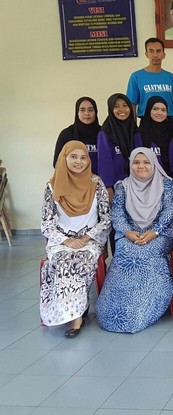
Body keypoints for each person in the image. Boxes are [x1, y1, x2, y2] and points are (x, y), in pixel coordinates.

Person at [96, 148, 173, 333]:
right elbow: (117, 214)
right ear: (130, 165)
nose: (141, 166)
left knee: (147, 253)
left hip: (161, 234)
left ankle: (141, 311)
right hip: (130, 234)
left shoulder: (166, 185)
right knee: (126, 252)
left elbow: (169, 213)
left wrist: (154, 232)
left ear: (154, 164)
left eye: (146, 162)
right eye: (136, 162)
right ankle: (115, 311)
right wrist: (127, 232)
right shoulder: (123, 186)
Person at [40, 141, 111, 337]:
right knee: (63, 260)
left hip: (91, 240)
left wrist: (86, 237)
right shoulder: (52, 186)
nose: (79, 162)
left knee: (82, 259)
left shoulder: (96, 183)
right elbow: (46, 223)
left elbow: (106, 219)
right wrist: (66, 241)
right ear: (64, 158)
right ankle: (74, 310)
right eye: (73, 157)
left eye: (83, 157)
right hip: (61, 241)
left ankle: (76, 316)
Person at [96, 93, 141, 200]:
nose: (122, 109)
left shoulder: (135, 131)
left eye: (125, 105)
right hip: (115, 187)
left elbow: (140, 157)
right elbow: (104, 162)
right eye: (116, 106)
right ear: (111, 109)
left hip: (136, 186)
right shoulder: (105, 133)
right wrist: (108, 187)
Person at [126, 38, 173, 117]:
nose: (155, 55)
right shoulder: (136, 77)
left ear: (164, 55)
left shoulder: (171, 78)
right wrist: (132, 124)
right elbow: (132, 104)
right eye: (151, 51)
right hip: (146, 121)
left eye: (158, 51)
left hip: (168, 121)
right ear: (146, 54)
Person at [53, 97, 101, 174]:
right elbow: (57, 163)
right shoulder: (67, 134)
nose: (86, 113)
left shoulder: (104, 133)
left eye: (90, 110)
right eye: (82, 110)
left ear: (95, 112)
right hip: (74, 180)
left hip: (100, 179)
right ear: (77, 112)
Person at [139, 96, 173, 174]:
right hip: (147, 176)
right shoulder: (140, 133)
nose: (159, 113)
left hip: (171, 176)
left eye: (163, 110)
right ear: (149, 109)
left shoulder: (172, 131)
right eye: (155, 109)